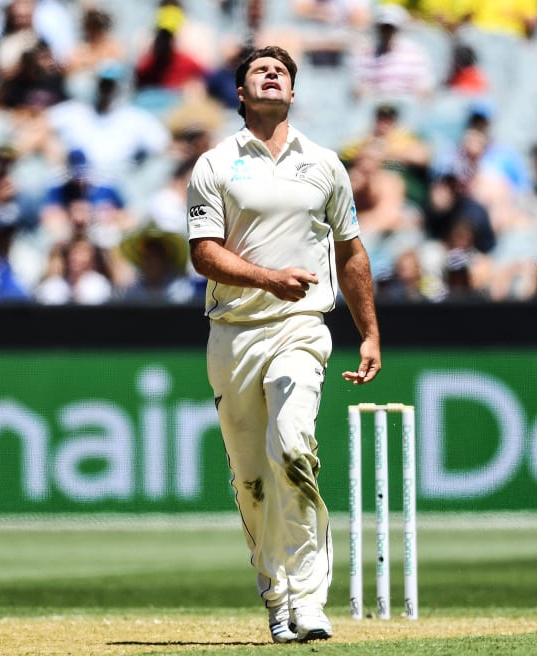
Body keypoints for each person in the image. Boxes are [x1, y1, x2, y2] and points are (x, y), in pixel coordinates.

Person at [186, 45, 381, 644]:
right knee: (252, 479)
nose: (272, 75)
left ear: (293, 92)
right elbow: (203, 252)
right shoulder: (215, 163)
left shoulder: (324, 164)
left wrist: (370, 330)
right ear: (241, 93)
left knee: (293, 448)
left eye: (282, 72)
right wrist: (266, 278)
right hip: (234, 332)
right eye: (258, 71)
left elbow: (350, 253)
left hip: (301, 329)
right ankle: (275, 594)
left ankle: (310, 599)